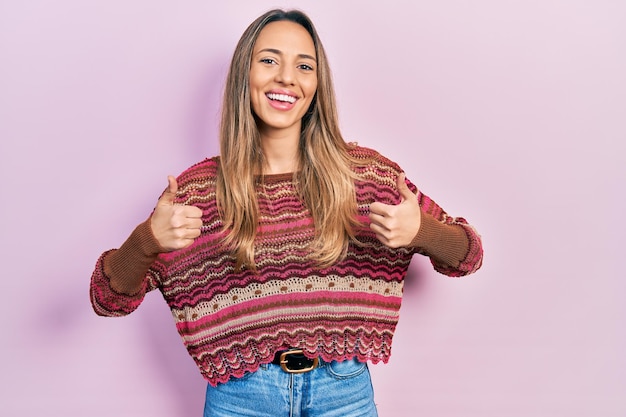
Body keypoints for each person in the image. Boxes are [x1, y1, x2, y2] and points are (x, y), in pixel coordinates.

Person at [90, 8, 483, 417]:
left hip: (343, 394)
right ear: (246, 73)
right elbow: (106, 298)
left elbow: (468, 255)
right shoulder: (196, 193)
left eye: (304, 65)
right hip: (240, 397)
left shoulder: (367, 177)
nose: (286, 77)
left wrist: (423, 231)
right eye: (269, 60)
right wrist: (147, 240)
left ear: (317, 84)